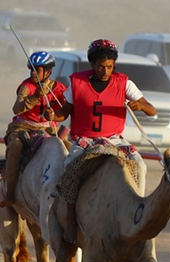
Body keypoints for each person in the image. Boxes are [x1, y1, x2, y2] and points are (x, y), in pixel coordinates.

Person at [45, 39, 156, 244]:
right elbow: (63, 114)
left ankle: (137, 210)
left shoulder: (124, 83)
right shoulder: (77, 83)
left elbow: (152, 110)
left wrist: (140, 105)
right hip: (86, 140)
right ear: (92, 64)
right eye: (101, 66)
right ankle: (70, 217)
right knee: (71, 166)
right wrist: (52, 115)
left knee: (139, 163)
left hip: (114, 140)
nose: (105, 71)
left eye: (109, 67)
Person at [1, 51, 67, 208]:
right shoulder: (26, 87)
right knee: (16, 147)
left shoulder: (58, 89)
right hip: (22, 126)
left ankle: (67, 190)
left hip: (48, 128)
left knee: (68, 150)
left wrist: (54, 115)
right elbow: (16, 109)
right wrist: (35, 97)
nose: (33, 73)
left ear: (48, 72)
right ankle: (10, 192)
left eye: (37, 70)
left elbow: (64, 110)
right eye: (31, 69)